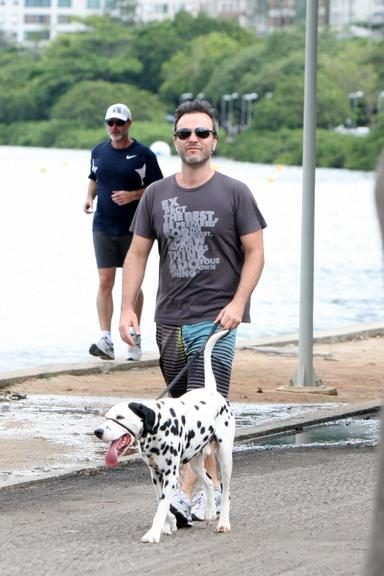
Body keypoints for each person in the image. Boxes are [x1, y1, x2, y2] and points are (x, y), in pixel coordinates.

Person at [119, 99, 266, 526]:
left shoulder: (235, 192)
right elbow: (137, 254)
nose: (193, 140)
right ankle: (213, 490)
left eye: (202, 132)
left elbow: (255, 253)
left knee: (204, 407)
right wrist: (127, 306)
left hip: (216, 321)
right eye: (185, 133)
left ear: (214, 140)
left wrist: (239, 303)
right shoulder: (157, 195)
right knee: (187, 409)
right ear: (175, 140)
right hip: (169, 320)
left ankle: (183, 496)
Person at [84, 103, 163, 361]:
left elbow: (157, 187)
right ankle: (105, 338)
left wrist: (133, 195)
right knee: (105, 280)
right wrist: (88, 198)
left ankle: (133, 338)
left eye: (119, 123)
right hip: (103, 225)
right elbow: (94, 177)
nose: (114, 128)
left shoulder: (143, 154)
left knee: (132, 285)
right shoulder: (98, 152)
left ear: (129, 123)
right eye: (110, 123)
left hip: (135, 227)